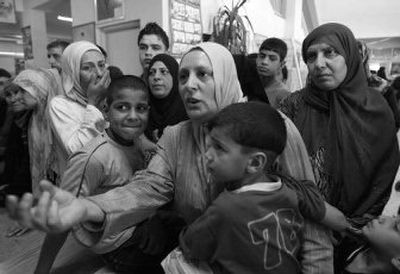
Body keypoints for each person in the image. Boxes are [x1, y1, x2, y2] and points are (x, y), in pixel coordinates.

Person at [7, 42, 333, 273]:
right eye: (184, 77)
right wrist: (86, 206)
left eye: (203, 75)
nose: (189, 86)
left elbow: (312, 221)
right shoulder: (178, 135)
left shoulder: (274, 128)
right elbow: (145, 188)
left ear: (225, 77)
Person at [279, 23, 400, 271]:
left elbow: (381, 179)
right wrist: (320, 215)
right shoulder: (292, 107)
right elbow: (272, 166)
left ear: (349, 56)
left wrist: (347, 227)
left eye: (330, 52)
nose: (319, 63)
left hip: (348, 239)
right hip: (289, 228)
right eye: (311, 56)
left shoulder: (375, 111)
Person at [179, 102, 347, 273]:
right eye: (209, 145)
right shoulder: (293, 190)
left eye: (219, 147)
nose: (206, 155)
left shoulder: (223, 208)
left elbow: (191, 246)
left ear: (255, 162)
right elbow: (339, 221)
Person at [34, 75, 156, 274]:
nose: (133, 116)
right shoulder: (92, 158)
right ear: (106, 111)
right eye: (122, 107)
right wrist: (41, 270)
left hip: (135, 225)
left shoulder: (137, 144)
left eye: (140, 108)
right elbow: (63, 216)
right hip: (117, 245)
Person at [49, 41, 111, 179]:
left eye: (101, 65)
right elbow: (78, 152)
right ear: (73, 72)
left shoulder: (109, 99)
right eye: (87, 68)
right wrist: (93, 103)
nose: (99, 73)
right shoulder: (60, 105)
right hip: (80, 187)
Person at [145, 53, 188, 142]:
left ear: (175, 76)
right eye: (151, 73)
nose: (156, 77)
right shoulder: (141, 109)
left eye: (163, 72)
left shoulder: (187, 112)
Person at [256, 37, 291, 108]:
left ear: (282, 64)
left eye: (272, 59)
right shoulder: (249, 85)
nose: (264, 62)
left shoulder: (283, 94)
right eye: (262, 56)